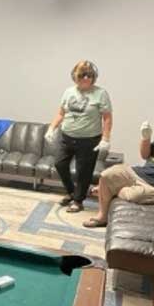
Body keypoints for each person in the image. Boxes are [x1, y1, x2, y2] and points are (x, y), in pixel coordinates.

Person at [45, 60, 113, 212]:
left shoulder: (100, 94)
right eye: (83, 75)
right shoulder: (68, 92)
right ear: (75, 76)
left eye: (90, 75)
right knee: (60, 164)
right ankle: (71, 192)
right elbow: (61, 113)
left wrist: (105, 139)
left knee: (84, 172)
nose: (86, 78)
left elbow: (107, 118)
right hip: (67, 137)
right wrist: (51, 128)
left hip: (89, 140)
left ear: (94, 77)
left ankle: (78, 201)